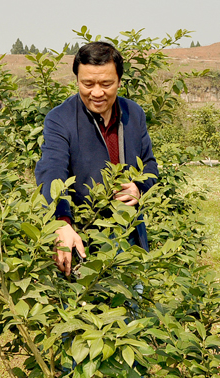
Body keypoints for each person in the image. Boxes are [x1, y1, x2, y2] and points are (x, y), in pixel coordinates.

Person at [34, 41, 158, 275]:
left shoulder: (135, 114)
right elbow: (52, 171)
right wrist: (61, 221)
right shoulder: (60, 119)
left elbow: (150, 164)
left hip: (129, 235)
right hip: (83, 236)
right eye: (87, 84)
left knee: (134, 305)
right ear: (77, 81)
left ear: (119, 81)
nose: (97, 92)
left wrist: (139, 188)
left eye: (106, 84)